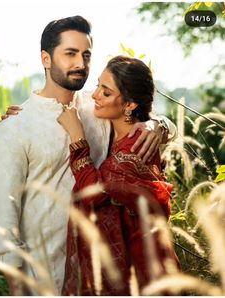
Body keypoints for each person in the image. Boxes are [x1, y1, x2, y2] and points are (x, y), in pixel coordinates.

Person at [0, 16, 176, 295]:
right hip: (46, 277)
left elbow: (138, 114)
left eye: (86, 54)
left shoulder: (97, 108)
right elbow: (4, 223)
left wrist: (158, 125)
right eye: (70, 53)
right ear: (46, 59)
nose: (80, 64)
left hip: (105, 275)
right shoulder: (15, 128)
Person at [57, 55, 179, 296]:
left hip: (144, 271)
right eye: (98, 85)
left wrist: (76, 137)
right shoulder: (122, 132)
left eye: (106, 91)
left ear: (130, 104)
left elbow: (92, 192)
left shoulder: (135, 149)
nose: (95, 96)